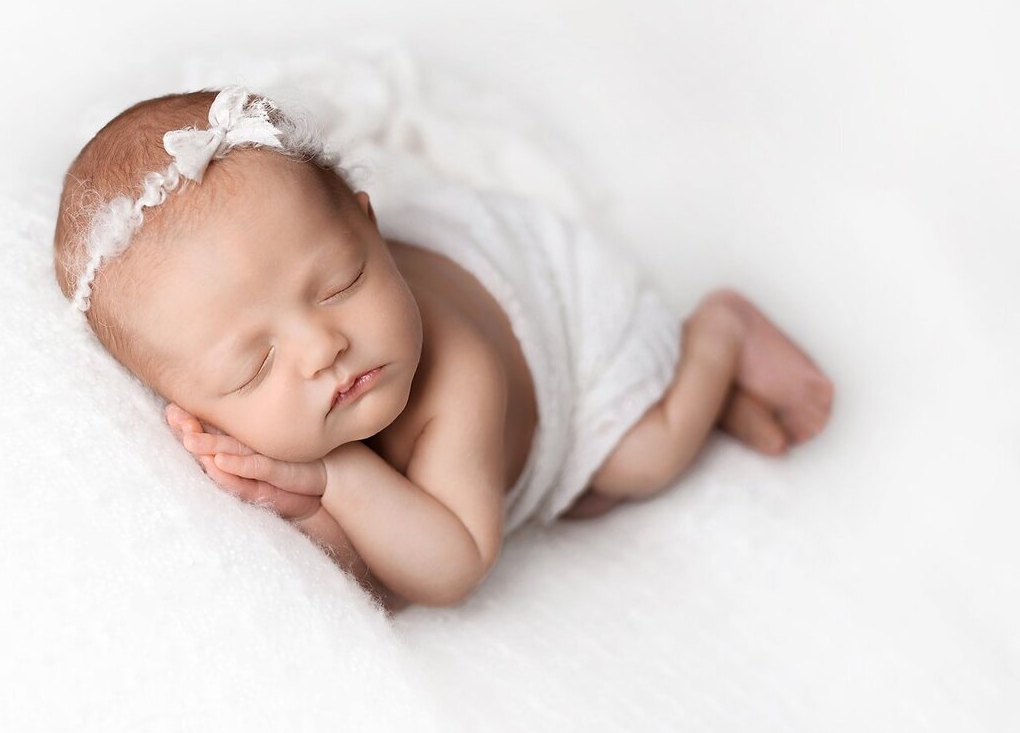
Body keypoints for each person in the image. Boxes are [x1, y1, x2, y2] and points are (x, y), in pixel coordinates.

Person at [53, 86, 834, 611]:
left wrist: (335, 472)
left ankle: (717, 338)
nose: (324, 346)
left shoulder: (457, 374)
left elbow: (454, 563)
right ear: (191, 408)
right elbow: (350, 556)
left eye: (340, 281)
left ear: (369, 223)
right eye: (253, 366)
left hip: (560, 315)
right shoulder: (284, 385)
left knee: (640, 463)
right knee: (587, 499)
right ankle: (706, 403)